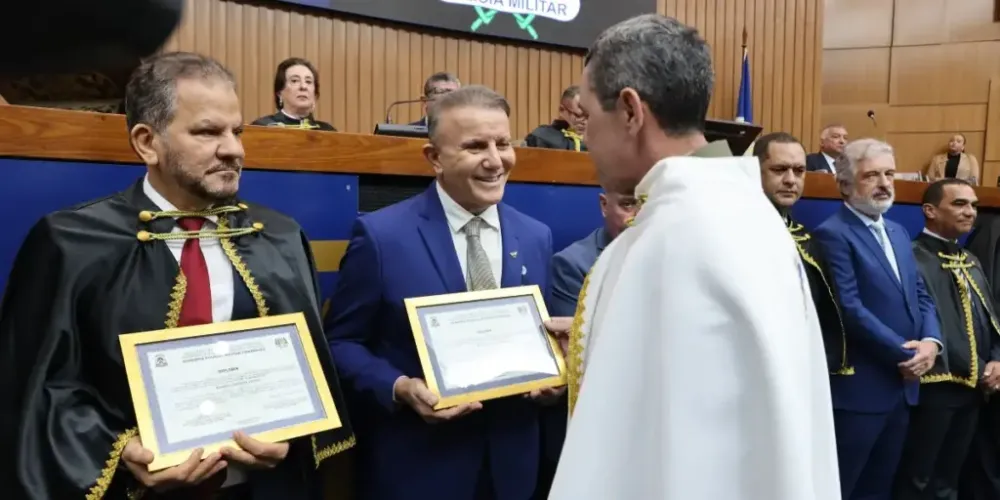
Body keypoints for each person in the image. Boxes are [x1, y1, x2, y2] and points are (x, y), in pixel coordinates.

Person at [0, 51, 355, 500]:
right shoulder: (69, 241)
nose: (234, 149)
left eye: (237, 131)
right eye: (208, 132)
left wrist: (291, 432)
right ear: (148, 142)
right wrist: (119, 448)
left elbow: (308, 373)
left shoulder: (280, 237)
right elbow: (38, 389)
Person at [544, 14, 841, 500]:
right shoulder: (742, 211)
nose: (586, 139)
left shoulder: (676, 234)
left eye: (589, 118)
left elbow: (666, 441)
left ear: (630, 111)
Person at [325, 85, 558, 500]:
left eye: (503, 143)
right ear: (434, 158)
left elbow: (547, 339)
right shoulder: (382, 237)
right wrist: (398, 386)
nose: (495, 160)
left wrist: (556, 380)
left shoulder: (536, 235)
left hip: (514, 465)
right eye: (475, 146)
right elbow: (342, 342)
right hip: (421, 466)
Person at [812, 138, 942, 500]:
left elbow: (920, 295)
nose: (884, 183)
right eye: (871, 175)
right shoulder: (832, 234)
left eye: (889, 173)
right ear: (845, 185)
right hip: (861, 391)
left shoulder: (898, 231)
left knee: (880, 489)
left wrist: (931, 343)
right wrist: (906, 354)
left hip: (903, 389)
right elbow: (850, 309)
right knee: (845, 487)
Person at [896, 179, 1000, 499]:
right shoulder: (911, 257)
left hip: (972, 388)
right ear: (929, 211)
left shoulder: (970, 259)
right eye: (959, 204)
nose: (970, 212)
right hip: (933, 386)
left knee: (950, 477)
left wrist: (996, 358)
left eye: (972, 205)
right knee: (918, 477)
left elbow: (990, 318)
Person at [534, 184, 637, 498]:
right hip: (596, 424)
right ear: (604, 205)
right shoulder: (574, 263)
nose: (639, 216)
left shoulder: (673, 253)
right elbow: (582, 355)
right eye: (628, 205)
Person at [754, 132, 854, 376]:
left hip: (803, 365)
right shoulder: (737, 234)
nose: (791, 180)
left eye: (799, 171)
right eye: (779, 170)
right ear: (754, 173)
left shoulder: (808, 239)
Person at [251, 57, 336, 131]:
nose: (303, 86)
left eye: (308, 82)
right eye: (294, 81)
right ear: (280, 92)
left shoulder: (328, 131)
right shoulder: (262, 127)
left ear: (315, 94)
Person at [524, 85, 589, 152]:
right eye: (578, 116)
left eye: (588, 116)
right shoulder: (541, 137)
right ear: (562, 110)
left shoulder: (597, 142)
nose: (585, 122)